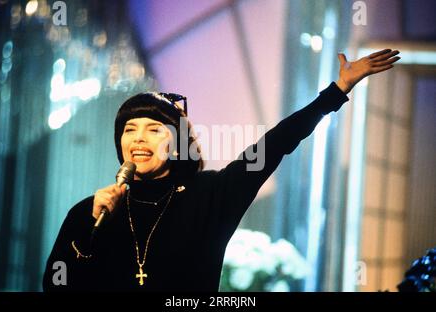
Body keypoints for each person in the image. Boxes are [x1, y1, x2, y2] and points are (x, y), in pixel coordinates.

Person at [43, 49, 400, 291]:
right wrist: (87, 231)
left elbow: (275, 144)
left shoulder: (211, 195)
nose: (139, 139)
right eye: (129, 129)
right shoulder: (92, 210)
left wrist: (336, 92)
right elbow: (55, 285)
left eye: (154, 129)